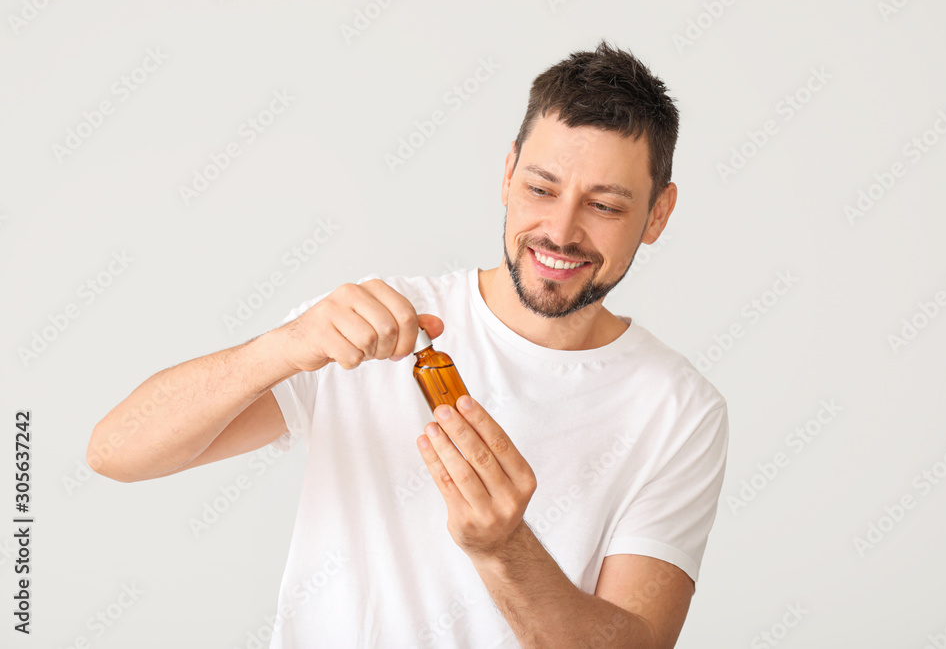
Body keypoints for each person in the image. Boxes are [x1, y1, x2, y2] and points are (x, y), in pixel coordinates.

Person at [88, 39, 728, 648]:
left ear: (658, 214)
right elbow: (116, 451)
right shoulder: (365, 324)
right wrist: (282, 346)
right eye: (540, 188)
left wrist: (504, 548)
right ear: (507, 175)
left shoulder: (680, 409)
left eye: (606, 206)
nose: (560, 231)